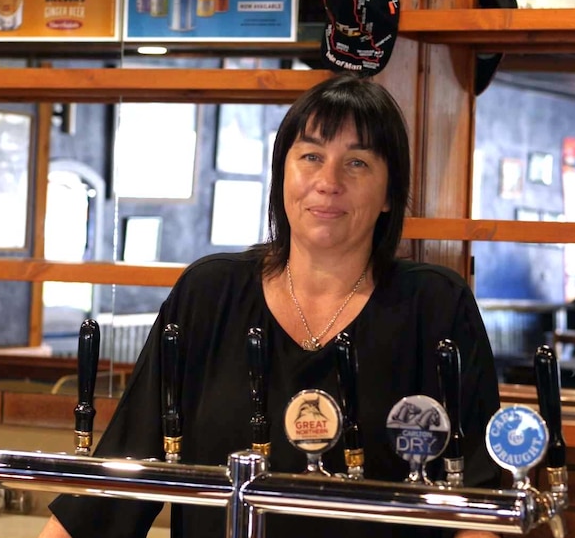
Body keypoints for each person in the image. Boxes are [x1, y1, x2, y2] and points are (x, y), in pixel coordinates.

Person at [40, 74, 502, 538]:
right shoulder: (210, 295)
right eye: (311, 156)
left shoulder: (434, 308)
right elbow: (120, 476)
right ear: (283, 172)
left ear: (388, 195)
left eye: (357, 162)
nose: (328, 182)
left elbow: (478, 507)